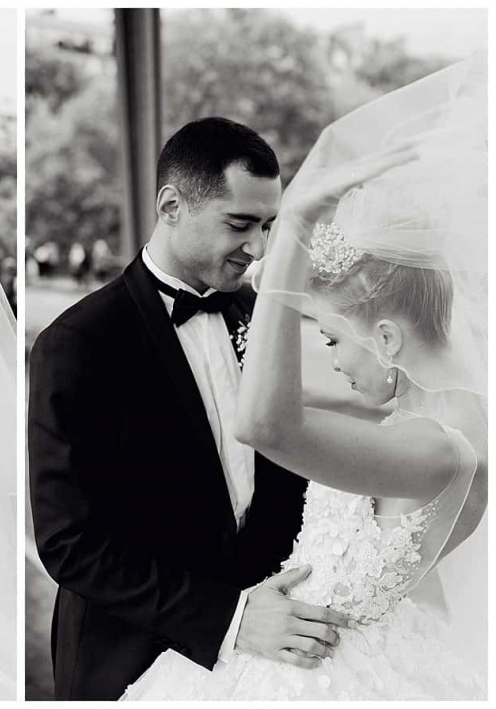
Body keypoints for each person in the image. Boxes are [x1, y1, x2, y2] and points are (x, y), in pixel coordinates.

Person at [124, 56, 486, 701]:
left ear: (386, 338)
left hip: (320, 672)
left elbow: (264, 423)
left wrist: (293, 232)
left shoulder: (443, 449)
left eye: (330, 340)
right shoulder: (435, 419)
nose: (336, 364)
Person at [28, 117, 349, 701]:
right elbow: (69, 543)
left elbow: (280, 467)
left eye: (268, 225)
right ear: (171, 204)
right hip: (133, 655)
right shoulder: (78, 343)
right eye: (240, 224)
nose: (257, 249)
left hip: (268, 652)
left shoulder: (256, 315)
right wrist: (230, 619)